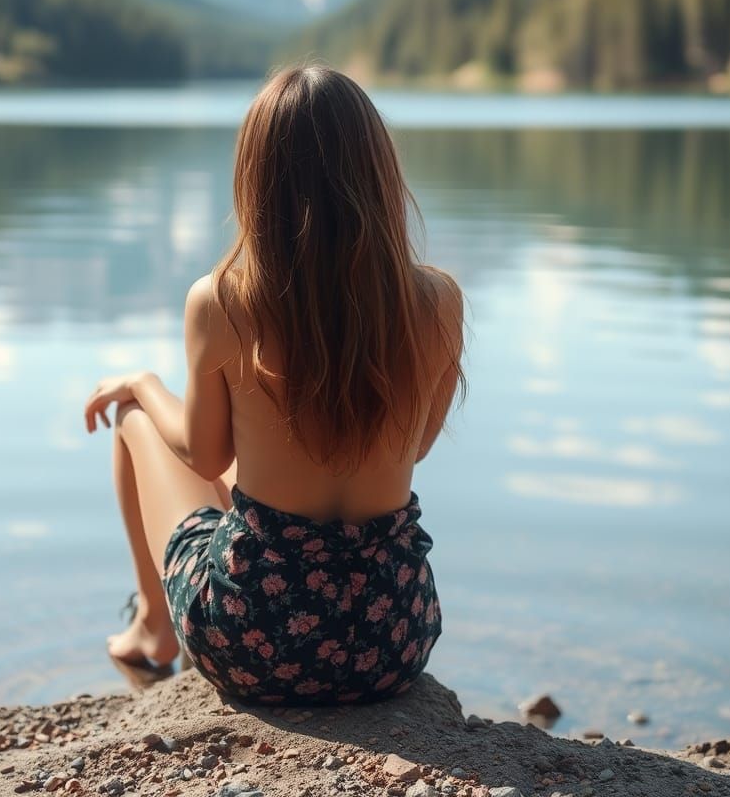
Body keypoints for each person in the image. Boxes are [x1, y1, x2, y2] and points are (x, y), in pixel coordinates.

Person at [83, 64, 466, 705]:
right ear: (378, 170)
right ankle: (154, 629)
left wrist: (144, 384)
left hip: (255, 642)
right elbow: (416, 447)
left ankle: (153, 631)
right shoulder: (436, 302)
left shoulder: (223, 301)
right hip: (392, 639)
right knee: (253, 494)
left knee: (134, 422)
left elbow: (205, 456)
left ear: (258, 177)